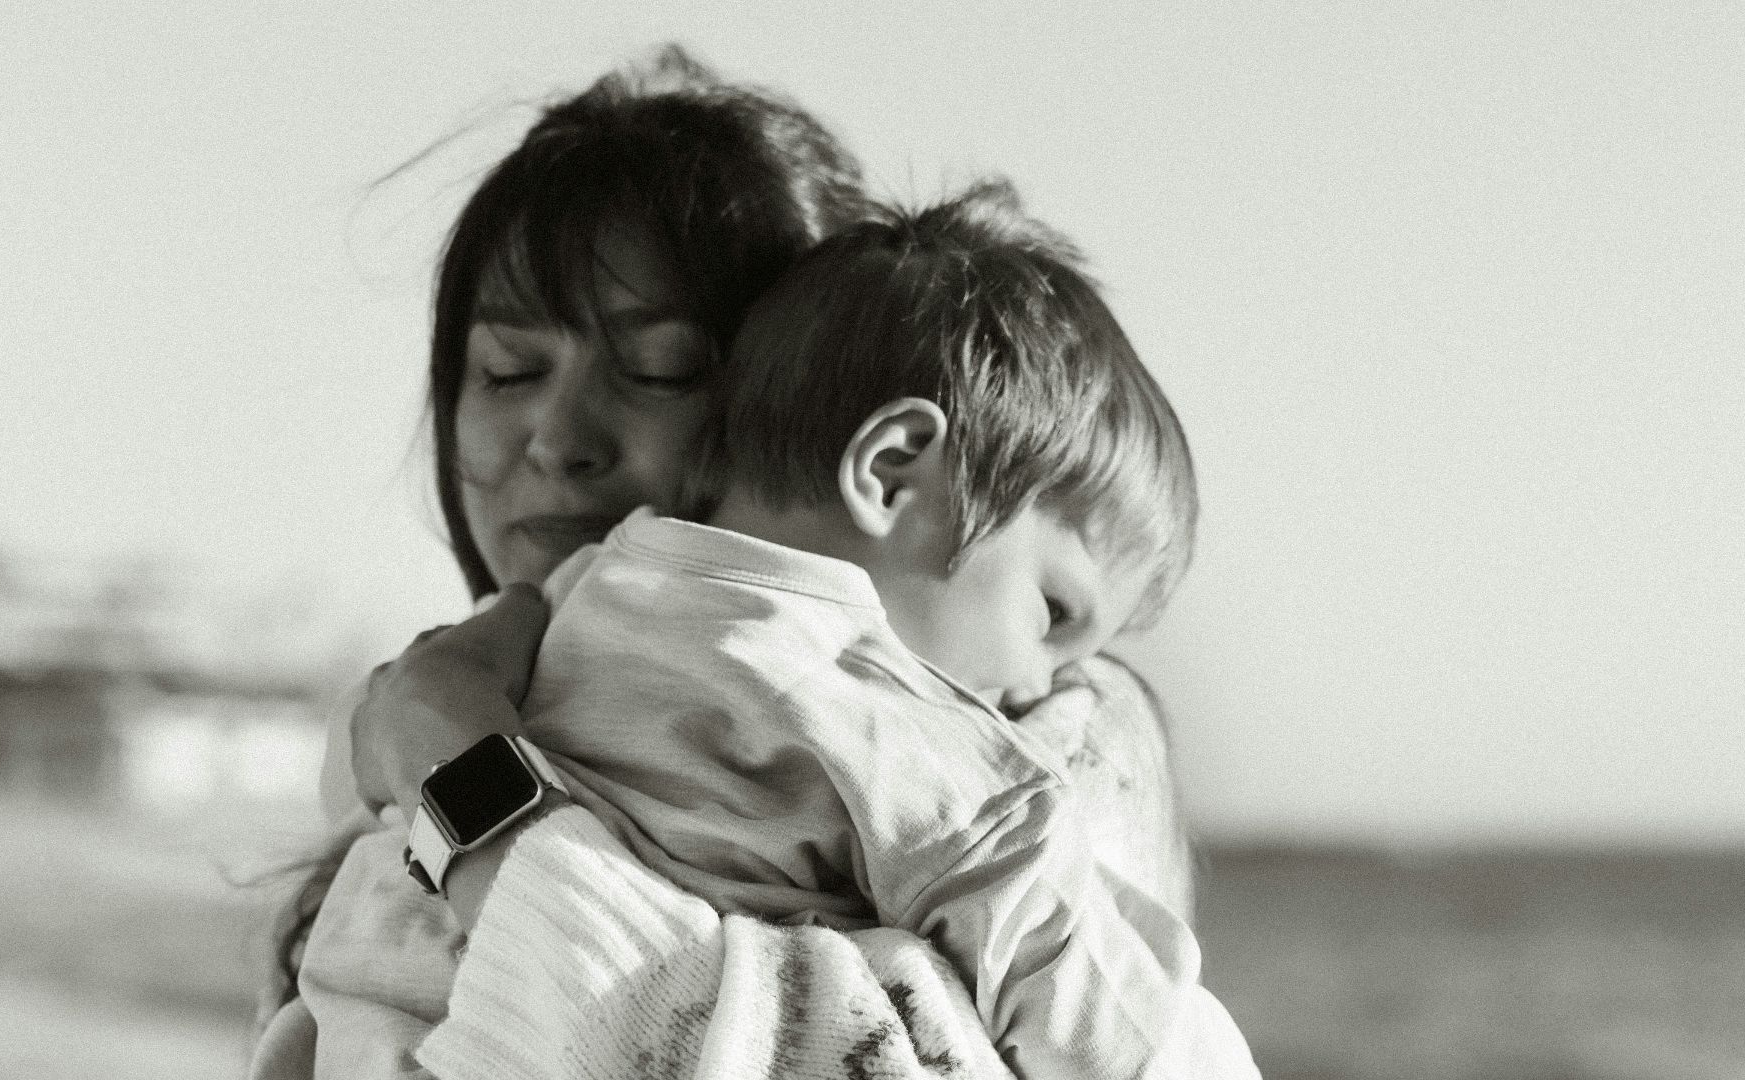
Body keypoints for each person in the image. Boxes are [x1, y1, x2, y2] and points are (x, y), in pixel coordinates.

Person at [251, 46, 1212, 1080]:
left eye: (661, 371)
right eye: (507, 369)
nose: (559, 435)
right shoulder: (478, 695)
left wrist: (470, 795)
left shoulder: (1028, 750)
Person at [429, 182, 1256, 1079]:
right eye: (1054, 614)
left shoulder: (569, 603)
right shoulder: (880, 710)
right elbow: (1076, 982)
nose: (1043, 689)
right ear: (893, 470)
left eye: (664, 372)